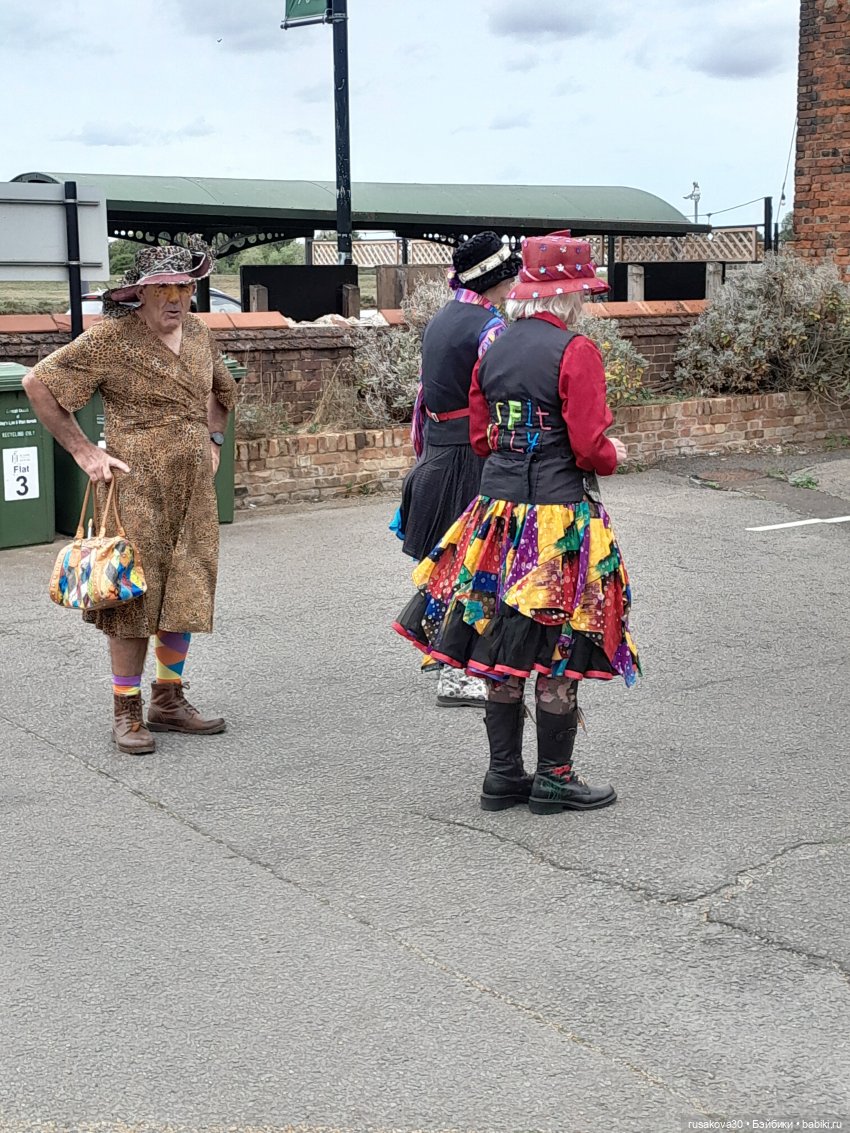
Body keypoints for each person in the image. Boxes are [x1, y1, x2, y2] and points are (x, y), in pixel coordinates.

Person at [393, 232, 640, 813]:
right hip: (557, 519)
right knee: (556, 644)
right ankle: (555, 776)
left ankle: (504, 775)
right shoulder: (575, 350)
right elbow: (587, 446)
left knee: (502, 639)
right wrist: (613, 454)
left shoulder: (494, 348)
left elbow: (481, 437)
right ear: (568, 295)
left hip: (497, 518)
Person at [23, 240, 237, 756]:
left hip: (192, 487)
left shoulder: (201, 333)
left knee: (187, 585)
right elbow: (38, 384)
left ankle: (169, 698)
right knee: (133, 595)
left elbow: (223, 393)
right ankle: (126, 709)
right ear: (137, 296)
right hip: (135, 487)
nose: (174, 298)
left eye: (182, 287)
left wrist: (212, 442)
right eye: (161, 288)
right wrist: (84, 452)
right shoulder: (110, 341)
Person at [398, 231, 521, 707]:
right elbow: (501, 392)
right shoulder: (490, 328)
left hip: (438, 451)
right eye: (508, 278)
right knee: (473, 562)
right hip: (470, 455)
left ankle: (443, 655)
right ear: (494, 280)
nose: (513, 286)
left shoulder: (443, 318)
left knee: (451, 558)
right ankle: (455, 674)